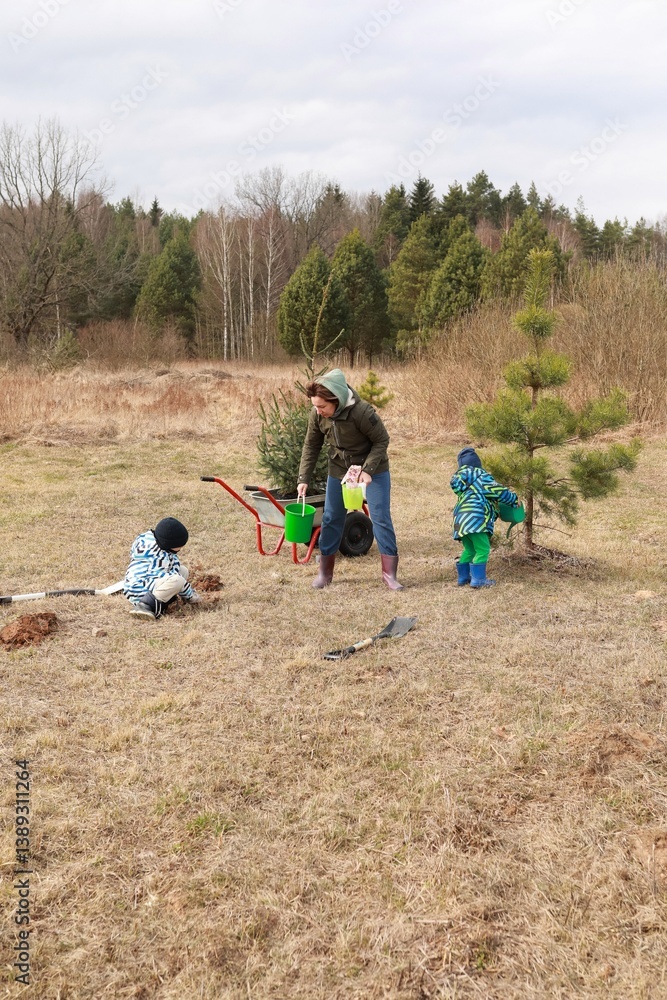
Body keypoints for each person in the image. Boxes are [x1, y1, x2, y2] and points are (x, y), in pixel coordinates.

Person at [296, 368, 403, 590]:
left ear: (336, 400)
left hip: (374, 470)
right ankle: (325, 573)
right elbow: (311, 445)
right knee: (331, 517)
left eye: (322, 406)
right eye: (315, 406)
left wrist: (368, 469)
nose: (318, 411)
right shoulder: (317, 415)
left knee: (380, 516)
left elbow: (382, 440)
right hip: (339, 469)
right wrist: (303, 477)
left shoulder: (362, 412)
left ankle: (389, 574)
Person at [451, 447, 519, 589]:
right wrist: (513, 499)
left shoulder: (461, 482)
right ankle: (478, 580)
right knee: (482, 549)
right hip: (475, 520)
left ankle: (463, 577)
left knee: (470, 549)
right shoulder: (481, 477)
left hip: (459, 522)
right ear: (477, 465)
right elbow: (499, 491)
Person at [124, 516, 201, 619]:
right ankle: (145, 606)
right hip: (139, 591)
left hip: (139, 581)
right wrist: (190, 594)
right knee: (178, 580)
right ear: (169, 544)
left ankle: (165, 596)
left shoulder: (148, 540)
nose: (182, 547)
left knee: (183, 570)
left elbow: (172, 567)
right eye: (180, 545)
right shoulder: (159, 557)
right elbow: (169, 576)